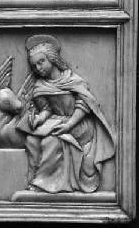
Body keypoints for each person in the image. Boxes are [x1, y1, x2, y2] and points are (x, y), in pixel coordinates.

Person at [16, 35, 116, 193]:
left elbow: (84, 105)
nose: (38, 68)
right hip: (56, 122)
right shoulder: (40, 86)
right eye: (34, 66)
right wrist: (39, 119)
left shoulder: (73, 80)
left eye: (41, 62)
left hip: (79, 124)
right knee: (31, 140)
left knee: (50, 141)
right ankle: (38, 178)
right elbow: (47, 109)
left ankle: (43, 184)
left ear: (52, 58)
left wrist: (69, 125)